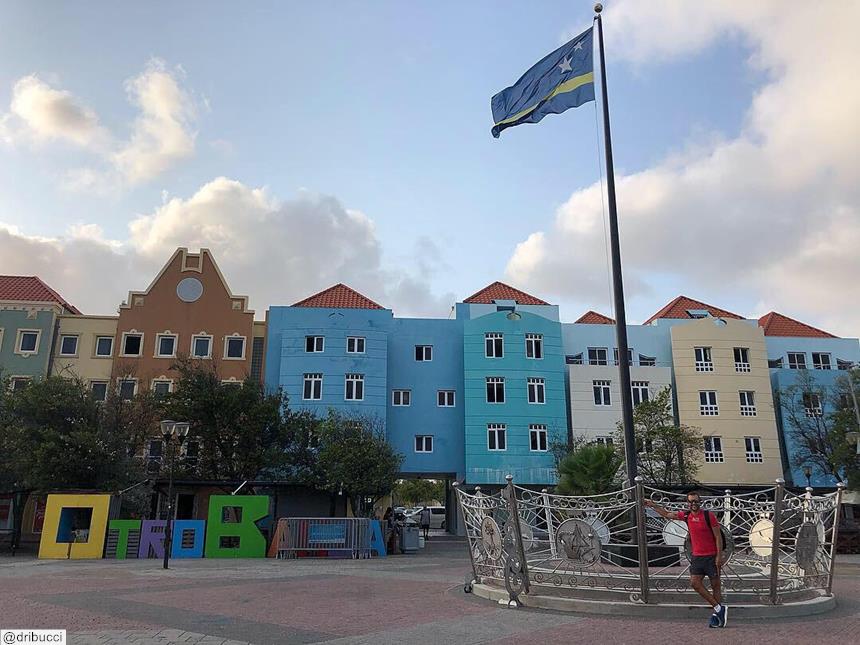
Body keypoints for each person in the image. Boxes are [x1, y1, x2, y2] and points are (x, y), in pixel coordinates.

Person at [645, 492, 727, 628]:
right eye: (690, 501)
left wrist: (719, 556)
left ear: (700, 502)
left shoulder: (709, 516)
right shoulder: (686, 516)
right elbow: (667, 514)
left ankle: (717, 616)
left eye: (695, 501)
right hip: (697, 556)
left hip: (711, 556)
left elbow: (718, 536)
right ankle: (719, 608)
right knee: (695, 583)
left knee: (715, 585)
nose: (693, 504)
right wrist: (653, 505)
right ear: (687, 503)